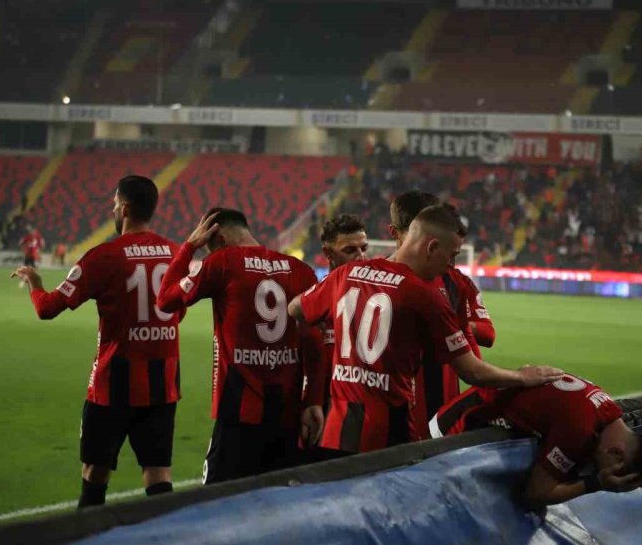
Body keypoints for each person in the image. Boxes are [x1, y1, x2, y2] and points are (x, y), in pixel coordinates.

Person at [288, 204, 563, 454]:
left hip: (336, 432)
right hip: (386, 435)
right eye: (451, 254)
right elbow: (472, 371)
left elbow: (295, 309)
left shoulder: (344, 275)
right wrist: (523, 378)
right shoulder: (426, 297)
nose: (451, 264)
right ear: (431, 247)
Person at [12, 176, 182, 508]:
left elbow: (47, 309)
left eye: (115, 204)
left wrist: (34, 282)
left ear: (127, 208)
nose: (113, 209)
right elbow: (178, 310)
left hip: (112, 383)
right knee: (159, 474)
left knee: (95, 471)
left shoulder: (103, 256)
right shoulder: (176, 254)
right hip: (163, 384)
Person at [156, 208, 319, 484]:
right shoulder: (300, 270)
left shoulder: (222, 262)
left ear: (219, 239)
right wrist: (312, 400)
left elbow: (165, 300)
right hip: (287, 413)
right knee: (280, 504)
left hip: (238, 411)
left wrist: (189, 247)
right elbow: (313, 342)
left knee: (218, 505)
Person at [430, 374, 642, 509]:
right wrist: (596, 483)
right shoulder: (578, 430)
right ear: (617, 454)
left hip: (474, 407)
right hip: (458, 424)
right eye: (608, 469)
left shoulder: (608, 408)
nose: (596, 466)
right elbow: (534, 495)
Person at [388, 191, 497, 436]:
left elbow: (481, 347)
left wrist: (447, 327)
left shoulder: (455, 282)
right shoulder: (373, 278)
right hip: (396, 409)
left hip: (441, 408)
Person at [300, 213, 369, 456]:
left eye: (364, 248)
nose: (361, 257)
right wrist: (312, 402)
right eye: (350, 250)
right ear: (328, 254)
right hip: (322, 407)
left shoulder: (377, 296)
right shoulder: (314, 298)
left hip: (362, 409)